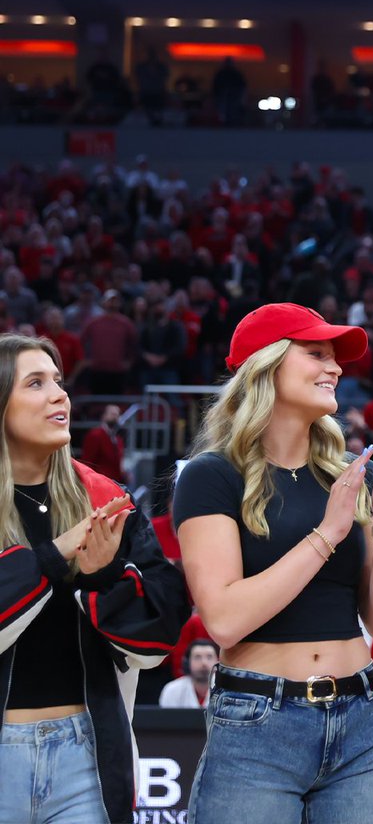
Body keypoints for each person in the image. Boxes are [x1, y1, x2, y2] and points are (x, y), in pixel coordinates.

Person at [173, 303, 373, 824]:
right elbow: (225, 619)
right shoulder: (210, 477)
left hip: (361, 721)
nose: (336, 368)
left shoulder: (352, 475)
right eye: (316, 353)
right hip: (258, 723)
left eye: (335, 357)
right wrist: (326, 535)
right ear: (267, 364)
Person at [0, 333, 188, 824]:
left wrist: (104, 575)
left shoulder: (104, 498)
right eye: (35, 383)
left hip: (86, 754)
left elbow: (162, 628)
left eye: (58, 381)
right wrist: (55, 555)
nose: (59, 394)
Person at [160, 638, 219, 708]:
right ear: (187, 663)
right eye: (197, 657)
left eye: (209, 657)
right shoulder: (172, 690)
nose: (204, 663)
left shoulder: (229, 690)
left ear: (217, 662)